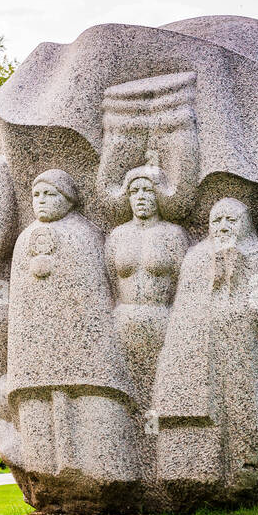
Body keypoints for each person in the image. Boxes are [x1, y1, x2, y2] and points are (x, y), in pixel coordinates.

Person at [153, 197, 258, 505]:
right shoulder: (196, 257)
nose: (223, 227)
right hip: (200, 349)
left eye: (231, 220)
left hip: (242, 348)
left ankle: (247, 468)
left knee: (244, 405)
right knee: (200, 407)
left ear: (245, 224)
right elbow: (185, 306)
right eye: (216, 220)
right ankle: (200, 469)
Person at [0, 169, 140, 490]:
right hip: (36, 348)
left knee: (91, 403)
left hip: (84, 349)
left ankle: (102, 469)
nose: (41, 201)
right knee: (39, 408)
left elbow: (93, 296)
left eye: (50, 194)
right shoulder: (24, 241)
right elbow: (20, 306)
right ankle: (46, 474)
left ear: (68, 199)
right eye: (36, 195)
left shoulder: (83, 235)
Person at [104, 161, 191, 407]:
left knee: (164, 391)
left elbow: (184, 286)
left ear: (159, 195)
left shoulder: (173, 235)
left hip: (163, 319)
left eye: (148, 191)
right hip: (123, 321)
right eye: (134, 191)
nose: (140, 197)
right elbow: (111, 281)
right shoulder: (117, 236)